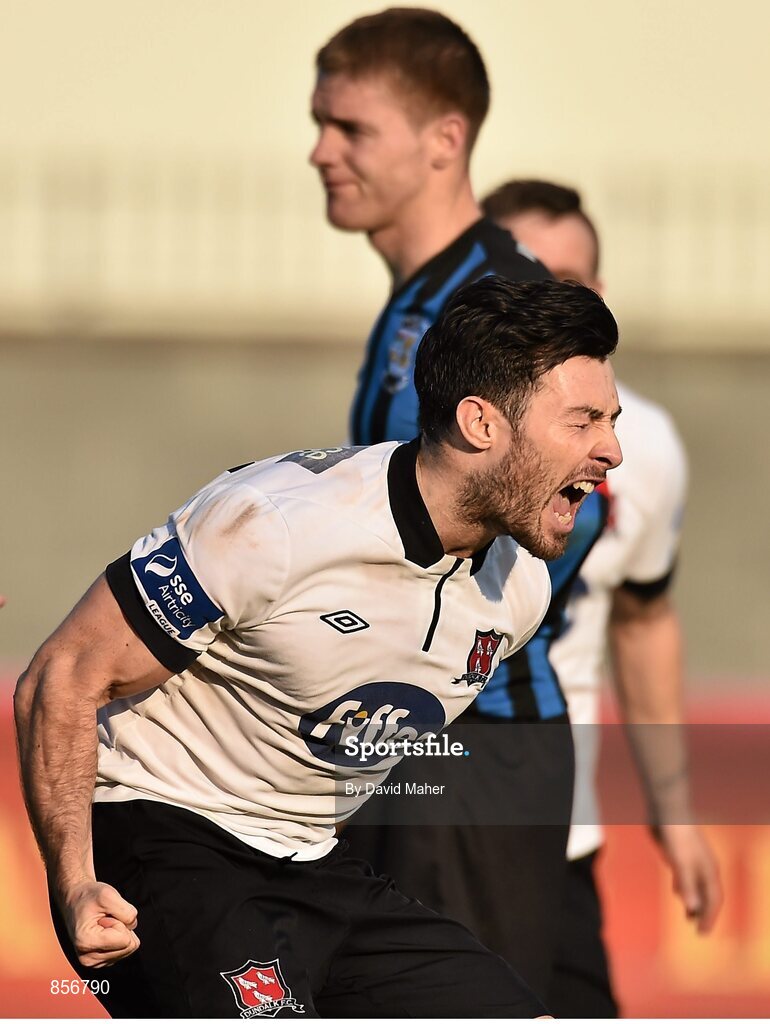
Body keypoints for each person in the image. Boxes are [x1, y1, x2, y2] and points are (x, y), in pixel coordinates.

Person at [14, 277, 622, 1019]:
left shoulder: (521, 587)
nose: (612, 449)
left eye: (611, 421)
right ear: (481, 423)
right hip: (165, 840)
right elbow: (64, 677)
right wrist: (76, 882)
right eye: (584, 420)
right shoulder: (274, 524)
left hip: (315, 863)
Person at [313, 9, 604, 1001]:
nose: (319, 151)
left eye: (351, 128)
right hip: (411, 738)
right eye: (320, 124)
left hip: (477, 749)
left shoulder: (504, 302)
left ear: (444, 139)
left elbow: (586, 500)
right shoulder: (418, 295)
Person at [481, 179, 723, 1017]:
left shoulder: (644, 445)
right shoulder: (428, 426)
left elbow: (645, 618)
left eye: (571, 285)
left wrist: (675, 813)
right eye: (524, 281)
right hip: (415, 811)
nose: (548, 305)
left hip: (552, 823)